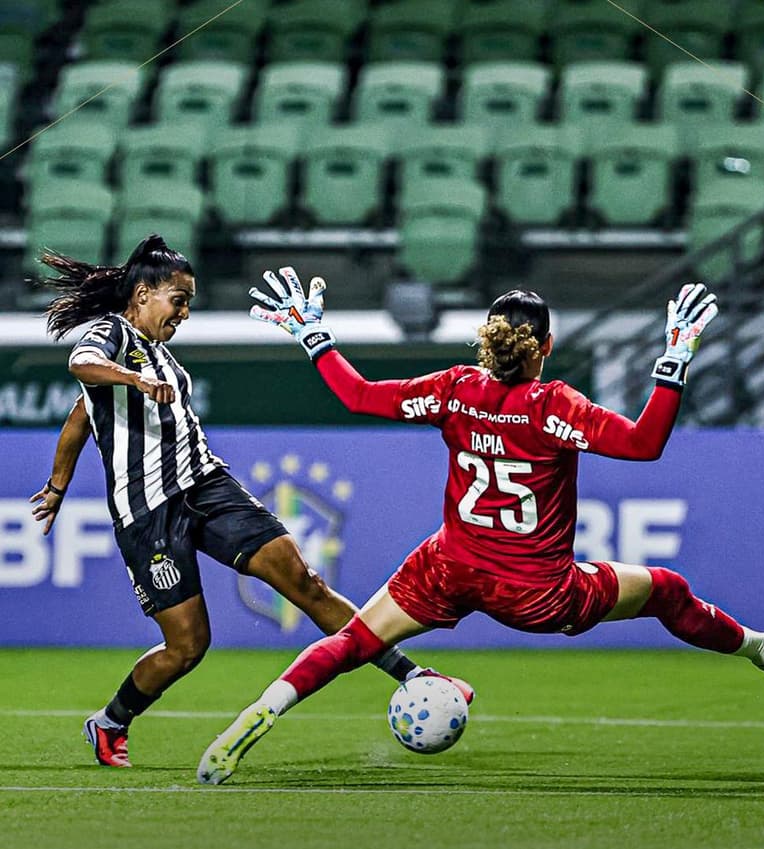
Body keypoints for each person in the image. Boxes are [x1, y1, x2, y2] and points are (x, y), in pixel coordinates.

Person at [195, 267, 764, 786]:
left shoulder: (456, 389)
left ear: (486, 340)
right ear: (546, 347)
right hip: (535, 591)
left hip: (448, 566)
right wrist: (674, 359)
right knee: (665, 589)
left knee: (354, 641)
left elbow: (359, 395)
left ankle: (258, 714)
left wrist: (315, 337)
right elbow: (644, 444)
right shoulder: (555, 406)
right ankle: (762, 650)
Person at [31, 235, 471, 770]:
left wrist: (59, 483)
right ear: (143, 294)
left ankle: (411, 674)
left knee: (305, 581)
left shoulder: (160, 356)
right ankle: (110, 722)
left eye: (189, 300)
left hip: (207, 487)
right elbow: (82, 365)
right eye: (179, 298)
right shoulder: (114, 338)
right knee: (188, 646)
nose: (185, 311)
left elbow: (80, 418)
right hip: (149, 513)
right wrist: (130, 385)